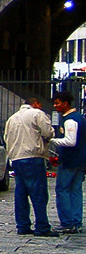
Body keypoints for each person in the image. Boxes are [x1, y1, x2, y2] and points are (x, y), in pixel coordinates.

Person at [4, 97, 57, 236]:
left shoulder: (12, 118)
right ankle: (42, 226)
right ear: (35, 103)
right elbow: (48, 133)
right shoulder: (37, 114)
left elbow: (6, 137)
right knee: (38, 192)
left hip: (16, 158)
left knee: (21, 192)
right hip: (33, 157)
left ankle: (22, 225)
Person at [51, 90, 85, 234]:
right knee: (76, 189)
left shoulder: (70, 120)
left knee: (63, 189)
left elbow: (70, 141)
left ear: (65, 104)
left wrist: (52, 140)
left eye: (57, 103)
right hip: (81, 160)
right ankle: (76, 221)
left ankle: (68, 222)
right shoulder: (80, 118)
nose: (55, 106)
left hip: (70, 160)